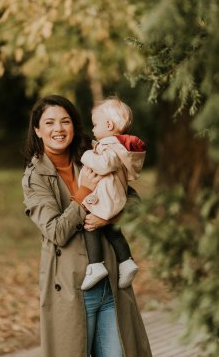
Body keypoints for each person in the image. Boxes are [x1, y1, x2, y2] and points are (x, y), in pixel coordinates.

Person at [22, 95, 152, 357]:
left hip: (110, 281)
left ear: (74, 124)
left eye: (65, 121)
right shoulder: (35, 177)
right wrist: (82, 196)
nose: (58, 129)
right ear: (37, 130)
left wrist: (108, 217)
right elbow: (56, 231)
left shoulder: (93, 155)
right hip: (71, 288)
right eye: (49, 123)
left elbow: (134, 203)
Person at [79, 97, 146, 291]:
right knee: (112, 231)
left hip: (106, 197)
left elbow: (103, 164)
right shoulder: (116, 146)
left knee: (90, 224)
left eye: (95, 124)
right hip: (113, 196)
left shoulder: (112, 146)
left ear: (108, 124)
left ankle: (95, 265)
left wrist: (86, 154)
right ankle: (126, 262)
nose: (92, 129)